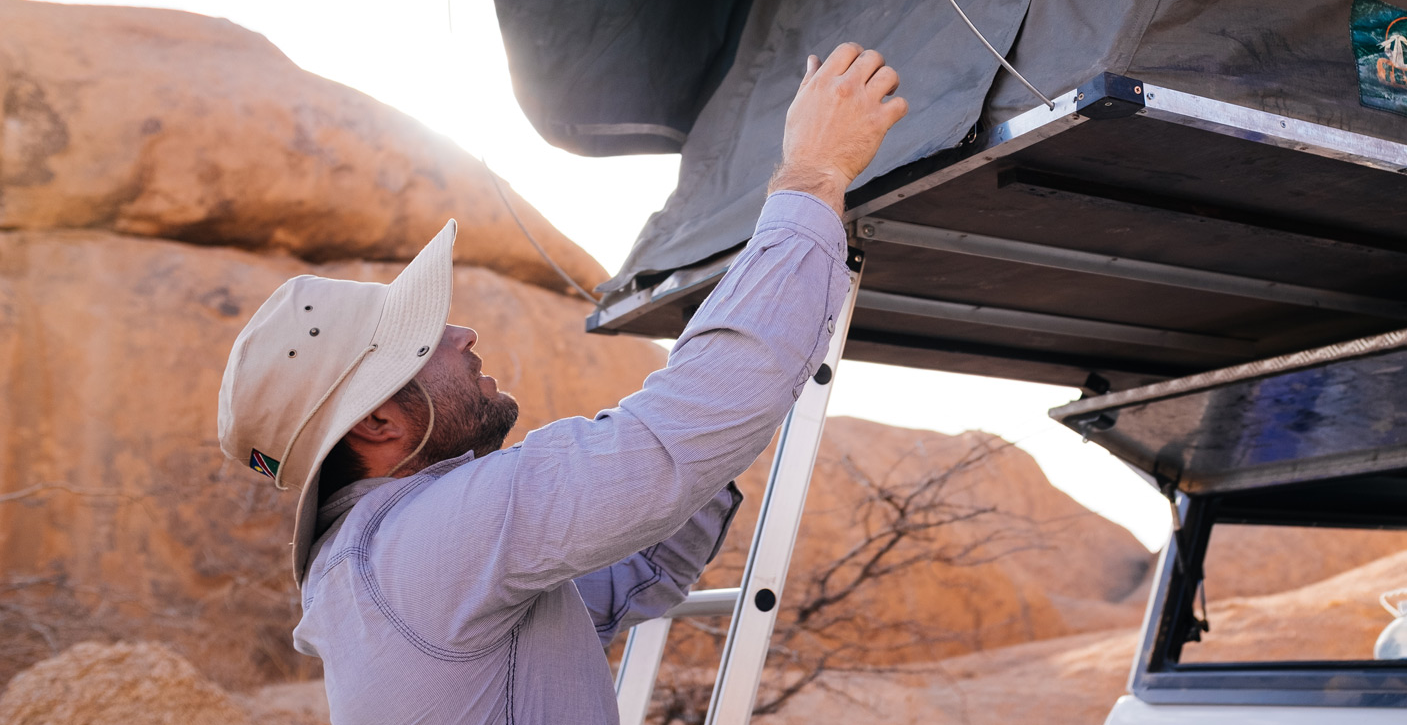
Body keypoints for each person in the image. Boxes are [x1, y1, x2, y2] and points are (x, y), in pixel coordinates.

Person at [216, 43, 907, 723]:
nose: (462, 336)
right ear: (378, 425)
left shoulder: (379, 566)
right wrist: (814, 170)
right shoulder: (430, 537)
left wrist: (715, 436)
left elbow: (613, 586)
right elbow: (672, 442)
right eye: (421, 344)